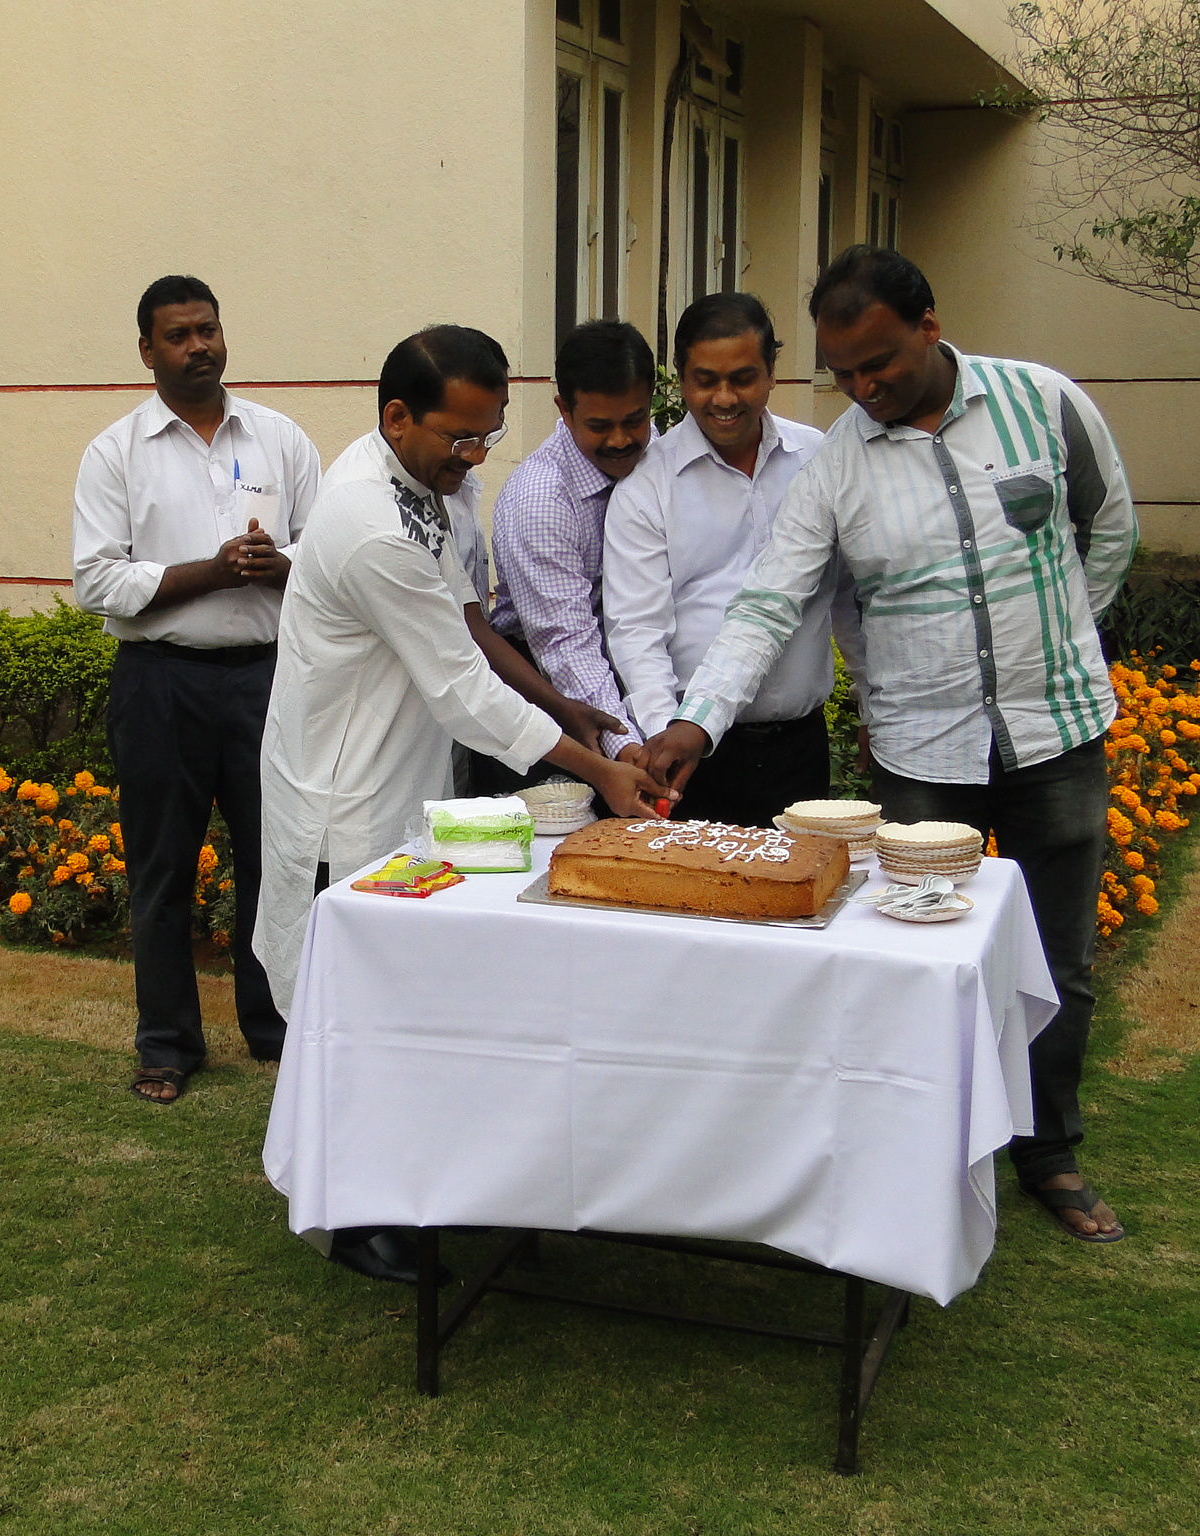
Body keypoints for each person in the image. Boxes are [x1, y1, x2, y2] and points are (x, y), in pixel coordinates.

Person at [645, 247, 1138, 1242]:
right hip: (923, 756)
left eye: (877, 364)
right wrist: (696, 720)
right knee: (917, 963)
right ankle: (927, 1147)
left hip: (1057, 734)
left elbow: (1109, 526)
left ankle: (1047, 1150)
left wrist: (1060, 641)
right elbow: (768, 602)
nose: (861, 388)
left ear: (928, 326)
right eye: (841, 373)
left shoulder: (1042, 403)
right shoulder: (837, 465)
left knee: (1057, 960)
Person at [255, 325, 667, 1285]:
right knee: (346, 1013)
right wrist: (599, 769)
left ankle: (405, 1184)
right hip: (342, 799)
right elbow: (461, 692)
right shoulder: (368, 522)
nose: (477, 457)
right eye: (461, 437)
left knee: (405, 1003)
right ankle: (352, 1220)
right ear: (398, 416)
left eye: (489, 435)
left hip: (406, 784)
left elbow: (471, 620)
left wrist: (560, 703)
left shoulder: (434, 481)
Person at [72, 276, 319, 1105]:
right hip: (160, 683)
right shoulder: (116, 452)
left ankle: (276, 1027)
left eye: (207, 329)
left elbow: (330, 555)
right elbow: (96, 580)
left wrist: (281, 564)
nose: (198, 346)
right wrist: (208, 573)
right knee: (162, 869)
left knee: (276, 862)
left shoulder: (281, 438)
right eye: (177, 335)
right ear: (147, 350)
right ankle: (168, 1045)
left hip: (268, 678)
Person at [604, 294, 844, 827]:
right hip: (693, 757)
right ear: (680, 379)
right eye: (705, 380)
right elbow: (637, 630)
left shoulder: (817, 458)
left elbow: (851, 595)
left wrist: (873, 710)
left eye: (743, 378)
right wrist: (666, 738)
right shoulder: (648, 485)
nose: (724, 398)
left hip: (799, 748)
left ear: (772, 372)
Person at [484, 319, 657, 775]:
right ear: (564, 409)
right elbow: (566, 644)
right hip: (550, 710)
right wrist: (625, 744)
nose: (620, 440)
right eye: (599, 426)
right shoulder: (539, 500)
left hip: (639, 693)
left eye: (634, 420)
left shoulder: (663, 461)